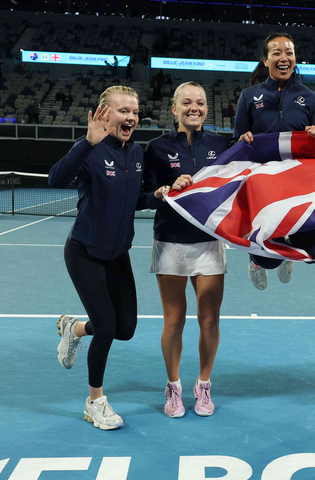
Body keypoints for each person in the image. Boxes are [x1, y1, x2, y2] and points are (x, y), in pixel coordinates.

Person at [49, 86, 181, 431]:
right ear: (105, 113)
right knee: (106, 327)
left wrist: (156, 196)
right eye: (124, 111)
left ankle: (73, 328)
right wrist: (86, 143)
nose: (132, 118)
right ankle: (95, 401)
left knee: (125, 329)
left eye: (135, 113)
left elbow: (133, 199)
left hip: (118, 254)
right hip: (85, 252)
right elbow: (56, 179)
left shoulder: (136, 152)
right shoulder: (92, 149)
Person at [143, 82, 229, 417]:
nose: (195, 108)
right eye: (187, 103)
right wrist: (165, 189)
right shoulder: (157, 148)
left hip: (209, 242)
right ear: (175, 108)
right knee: (174, 320)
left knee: (209, 319)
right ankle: (174, 386)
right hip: (170, 241)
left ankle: (204, 385)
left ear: (207, 108)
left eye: (201, 103)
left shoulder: (221, 145)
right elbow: (145, 193)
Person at [233, 32, 315, 290]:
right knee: (268, 263)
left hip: (299, 188)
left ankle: (288, 249)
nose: (284, 57)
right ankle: (257, 262)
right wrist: (243, 138)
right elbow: (237, 143)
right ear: (265, 61)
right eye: (277, 53)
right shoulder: (249, 97)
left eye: (289, 52)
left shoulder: (311, 98)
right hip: (265, 189)